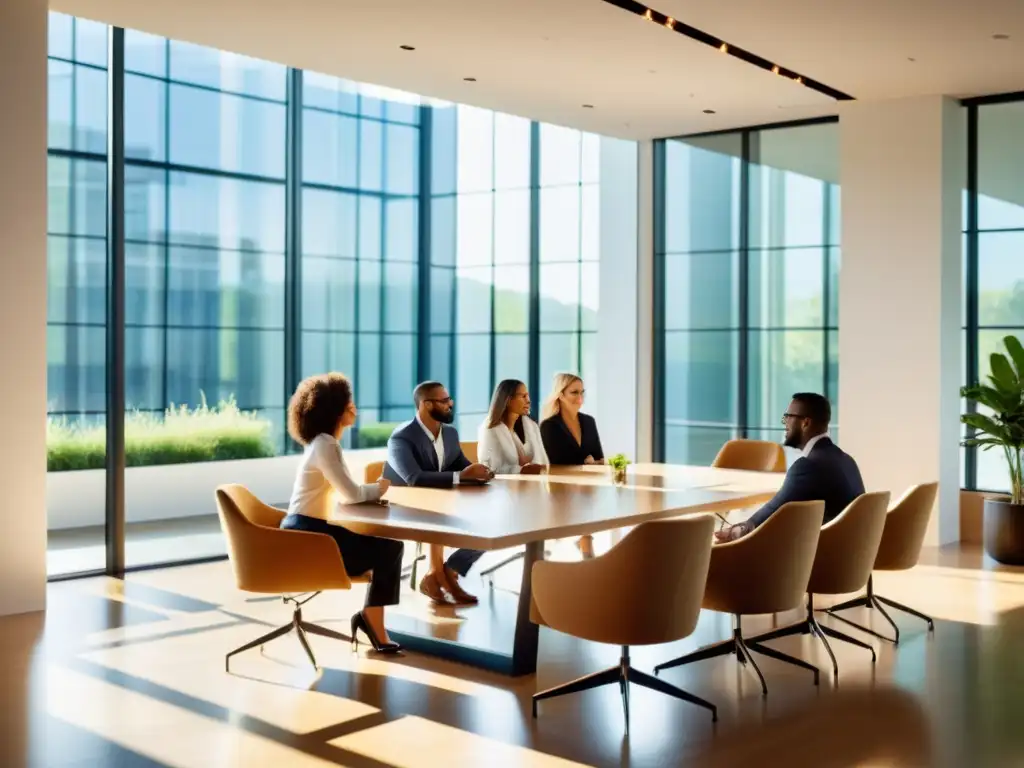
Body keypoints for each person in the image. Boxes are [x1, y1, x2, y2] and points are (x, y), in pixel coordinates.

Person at [280, 372, 403, 654]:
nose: (355, 408)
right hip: (309, 536)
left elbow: (341, 494)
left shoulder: (320, 443)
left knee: (386, 548)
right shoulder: (326, 444)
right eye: (350, 402)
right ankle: (372, 619)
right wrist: (379, 488)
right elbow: (351, 493)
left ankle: (372, 617)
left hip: (304, 528)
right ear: (336, 410)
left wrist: (366, 494)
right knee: (390, 549)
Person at [382, 381, 492, 605]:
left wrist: (481, 472)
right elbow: (414, 478)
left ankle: (448, 571)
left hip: (439, 502)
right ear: (425, 404)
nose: (450, 404)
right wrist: (461, 477)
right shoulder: (401, 437)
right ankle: (438, 575)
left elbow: (462, 464)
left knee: (489, 522)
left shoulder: (450, 434)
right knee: (444, 515)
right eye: (444, 401)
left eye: (449, 399)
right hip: (405, 507)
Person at [715, 392, 865, 543]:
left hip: (820, 560)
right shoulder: (846, 460)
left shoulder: (809, 466)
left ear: (805, 423)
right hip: (851, 558)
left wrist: (732, 533)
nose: (784, 423)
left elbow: (768, 516)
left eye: (788, 417)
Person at [539, 372, 604, 557]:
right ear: (560, 395)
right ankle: (586, 544)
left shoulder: (588, 421)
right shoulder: (549, 426)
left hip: (587, 485)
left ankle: (586, 541)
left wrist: (589, 462)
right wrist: (587, 461)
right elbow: (558, 463)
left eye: (582, 392)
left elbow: (598, 457)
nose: (580, 398)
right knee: (586, 496)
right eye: (574, 392)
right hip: (561, 486)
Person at [478, 379, 547, 475]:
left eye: (528, 396)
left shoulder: (531, 427)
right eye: (523, 396)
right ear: (508, 400)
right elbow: (490, 468)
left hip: (533, 484)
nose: (528, 401)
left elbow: (543, 462)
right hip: (502, 487)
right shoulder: (490, 430)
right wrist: (522, 470)